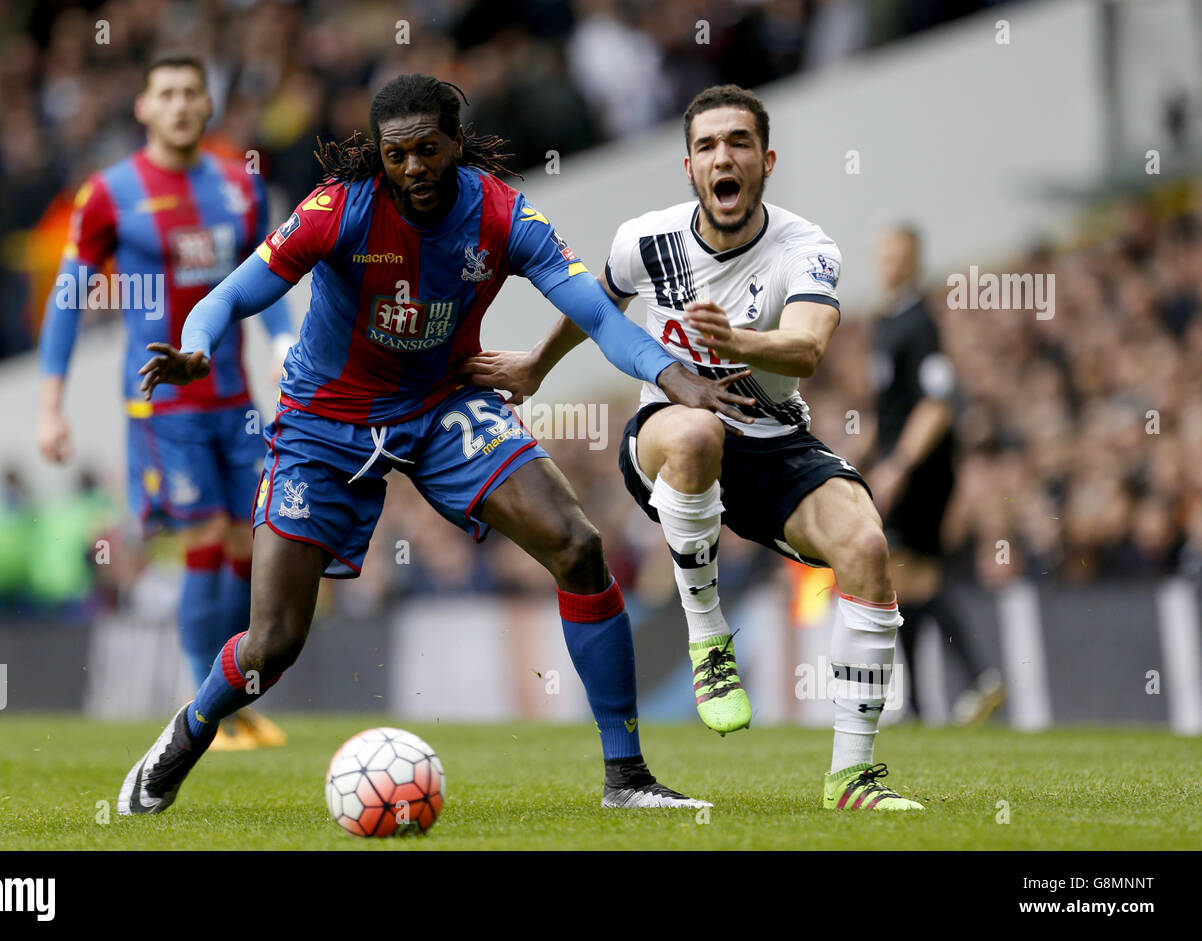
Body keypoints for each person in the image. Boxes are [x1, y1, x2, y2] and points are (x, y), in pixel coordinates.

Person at [118, 74, 748, 816]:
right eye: (397, 154)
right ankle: (186, 735)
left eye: (427, 149)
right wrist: (196, 346)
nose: (413, 167)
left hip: (442, 405)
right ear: (379, 155)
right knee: (273, 642)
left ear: (455, 142)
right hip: (325, 421)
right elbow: (230, 294)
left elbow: (603, 319)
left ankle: (627, 777)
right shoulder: (337, 210)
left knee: (577, 543)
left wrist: (680, 379)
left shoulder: (503, 217)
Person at [465, 84, 925, 809]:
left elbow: (806, 348)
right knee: (698, 428)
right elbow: (597, 304)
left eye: (739, 142)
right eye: (708, 145)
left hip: (776, 442)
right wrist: (533, 367)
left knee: (867, 548)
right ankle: (709, 639)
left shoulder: (807, 249)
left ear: (765, 160)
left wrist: (736, 339)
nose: (724, 157)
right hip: (670, 436)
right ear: (689, 167)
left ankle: (853, 777)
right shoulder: (645, 239)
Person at [38, 53, 293, 750]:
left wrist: (282, 344)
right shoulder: (109, 193)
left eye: (192, 92)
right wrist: (50, 403)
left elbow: (264, 283)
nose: (181, 104)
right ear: (143, 108)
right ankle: (201, 706)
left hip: (235, 398)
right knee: (206, 538)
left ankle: (231, 701)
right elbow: (67, 300)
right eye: (167, 93)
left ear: (207, 107)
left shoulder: (241, 188)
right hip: (161, 404)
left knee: (251, 542)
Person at [867, 224, 1002, 724]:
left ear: (915, 259)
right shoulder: (888, 321)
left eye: (898, 252)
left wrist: (899, 465)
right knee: (904, 581)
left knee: (912, 576)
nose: (888, 261)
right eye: (883, 251)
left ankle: (975, 679)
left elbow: (938, 404)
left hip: (923, 469)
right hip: (905, 463)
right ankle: (929, 700)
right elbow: (896, 406)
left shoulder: (918, 323)